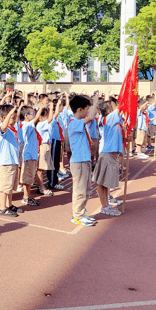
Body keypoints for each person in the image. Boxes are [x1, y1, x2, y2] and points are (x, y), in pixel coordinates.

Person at [68, 94, 99, 226]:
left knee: (86, 189)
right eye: (86, 109)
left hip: (84, 160)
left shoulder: (80, 123)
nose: (88, 112)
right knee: (80, 190)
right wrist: (96, 101)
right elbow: (91, 117)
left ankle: (81, 212)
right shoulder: (74, 123)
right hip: (79, 161)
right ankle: (77, 216)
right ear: (79, 109)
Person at [94, 99, 123, 217]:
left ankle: (106, 204)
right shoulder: (110, 117)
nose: (117, 105)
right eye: (114, 105)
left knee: (106, 182)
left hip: (111, 153)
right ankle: (104, 206)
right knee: (101, 182)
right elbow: (123, 106)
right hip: (108, 153)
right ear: (109, 110)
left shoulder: (110, 118)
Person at [0, 103, 23, 216]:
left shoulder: (13, 129)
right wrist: (9, 114)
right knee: (5, 186)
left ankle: (9, 204)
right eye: (12, 117)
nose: (14, 119)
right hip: (6, 162)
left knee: (10, 186)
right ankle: (2, 208)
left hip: (13, 161)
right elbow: (3, 127)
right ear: (5, 118)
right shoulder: (3, 129)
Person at [19, 100, 44, 207]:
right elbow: (36, 119)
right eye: (32, 113)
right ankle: (26, 196)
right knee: (27, 177)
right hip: (28, 154)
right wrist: (41, 108)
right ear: (26, 115)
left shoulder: (29, 124)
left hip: (32, 153)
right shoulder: (26, 125)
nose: (34, 115)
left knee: (30, 177)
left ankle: (28, 195)